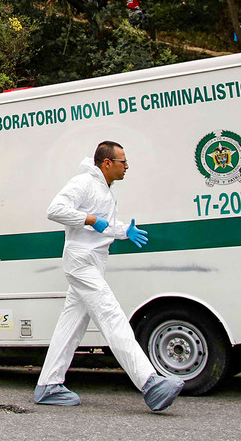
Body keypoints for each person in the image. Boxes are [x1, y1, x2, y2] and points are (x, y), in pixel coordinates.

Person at [33, 141, 184, 412]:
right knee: (112, 317)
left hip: (91, 262)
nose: (127, 166)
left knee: (70, 326)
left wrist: (124, 231)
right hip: (81, 263)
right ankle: (150, 384)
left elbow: (103, 227)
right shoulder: (84, 182)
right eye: (122, 161)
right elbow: (55, 210)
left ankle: (48, 385)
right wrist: (91, 219)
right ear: (107, 163)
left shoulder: (104, 188)